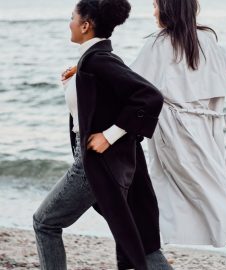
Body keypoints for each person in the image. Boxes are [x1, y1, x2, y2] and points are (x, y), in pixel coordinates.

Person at [32, 0, 174, 269]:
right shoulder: (93, 61)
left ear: (85, 26)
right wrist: (75, 79)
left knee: (45, 223)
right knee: (141, 242)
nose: (69, 22)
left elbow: (150, 96)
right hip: (114, 164)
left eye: (72, 17)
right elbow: (110, 99)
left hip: (94, 166)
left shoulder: (97, 61)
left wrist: (109, 135)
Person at [129, 0, 226, 269]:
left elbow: (130, 79)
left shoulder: (160, 43)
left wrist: (92, 71)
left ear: (169, 10)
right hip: (208, 130)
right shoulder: (206, 40)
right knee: (178, 191)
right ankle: (148, 252)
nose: (153, 11)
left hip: (176, 133)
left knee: (208, 195)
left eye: (156, 6)